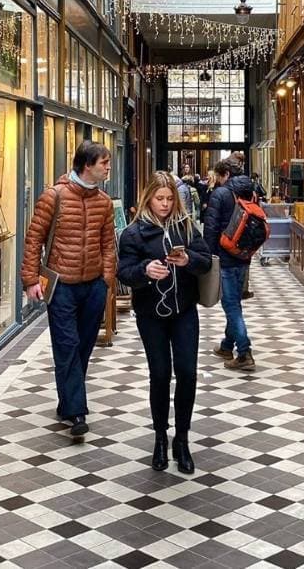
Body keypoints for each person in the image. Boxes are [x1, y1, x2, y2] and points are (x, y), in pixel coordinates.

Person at [118, 172, 211, 474]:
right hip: (150, 314)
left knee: (187, 372)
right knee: (159, 373)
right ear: (149, 198)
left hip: (184, 310)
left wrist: (189, 261)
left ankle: (181, 439)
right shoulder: (133, 233)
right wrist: (146, 269)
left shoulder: (186, 227)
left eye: (170, 199)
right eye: (160, 199)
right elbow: (123, 272)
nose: (165, 204)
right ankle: (160, 437)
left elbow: (206, 260)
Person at [21, 141, 115, 441]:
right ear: (87, 165)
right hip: (61, 285)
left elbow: (108, 244)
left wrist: (107, 280)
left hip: (93, 286)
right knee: (67, 345)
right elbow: (34, 238)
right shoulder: (54, 196)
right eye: (104, 163)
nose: (108, 167)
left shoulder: (103, 202)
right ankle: (77, 412)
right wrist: (30, 280)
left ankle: (67, 402)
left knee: (84, 346)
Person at [203, 159, 257, 371]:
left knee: (231, 305)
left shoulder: (221, 194)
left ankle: (244, 352)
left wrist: (208, 257)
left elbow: (211, 227)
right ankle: (227, 345)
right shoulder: (250, 192)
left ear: (225, 174)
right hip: (243, 256)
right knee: (234, 301)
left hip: (225, 258)